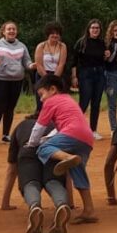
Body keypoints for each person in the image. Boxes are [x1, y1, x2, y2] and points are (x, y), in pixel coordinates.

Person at [26, 75, 99, 222]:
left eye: (42, 94)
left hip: (72, 134)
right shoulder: (69, 100)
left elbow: (39, 127)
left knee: (43, 149)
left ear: (53, 89)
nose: (41, 99)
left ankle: (67, 157)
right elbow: (61, 129)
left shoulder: (51, 102)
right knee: (78, 171)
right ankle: (89, 210)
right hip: (87, 139)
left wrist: (32, 143)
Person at [0, 112, 72, 233]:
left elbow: (12, 169)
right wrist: (70, 202)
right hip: (52, 151)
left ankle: (34, 207)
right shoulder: (56, 127)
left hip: (28, 152)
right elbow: (67, 168)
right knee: (54, 182)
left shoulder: (21, 126)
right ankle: (62, 204)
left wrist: (4, 203)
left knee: (31, 183)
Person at [0, 21, 30, 144]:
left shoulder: (22, 46)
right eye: (9, 29)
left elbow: (26, 61)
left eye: (14, 29)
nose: (11, 31)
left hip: (16, 80)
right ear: (3, 31)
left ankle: (6, 135)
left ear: (16, 31)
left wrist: (31, 65)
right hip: (0, 79)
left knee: (10, 108)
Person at [71, 18, 108, 137]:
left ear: (100, 30)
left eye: (97, 28)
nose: (95, 30)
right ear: (88, 29)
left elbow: (104, 61)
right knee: (84, 102)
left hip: (100, 74)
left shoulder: (103, 43)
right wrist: (74, 77)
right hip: (85, 74)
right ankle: (75, 129)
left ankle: (93, 130)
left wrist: (107, 56)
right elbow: (74, 61)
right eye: (93, 28)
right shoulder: (81, 42)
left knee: (96, 103)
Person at [32, 23, 68, 109]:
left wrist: (54, 80)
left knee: (56, 103)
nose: (55, 35)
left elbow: (61, 64)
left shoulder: (62, 46)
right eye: (53, 33)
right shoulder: (41, 46)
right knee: (42, 103)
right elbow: (39, 65)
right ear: (48, 34)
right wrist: (47, 79)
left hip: (57, 76)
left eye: (57, 33)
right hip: (42, 76)